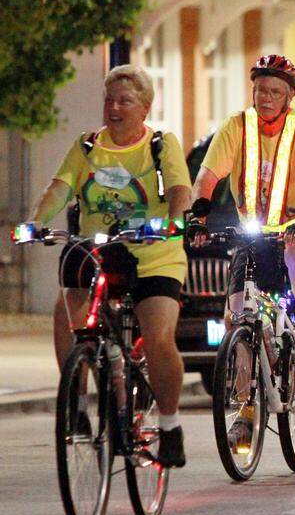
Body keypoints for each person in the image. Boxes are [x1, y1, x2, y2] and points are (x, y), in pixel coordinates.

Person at [23, 64, 192, 467]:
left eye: (125, 100)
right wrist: (35, 222)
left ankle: (169, 426)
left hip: (153, 254)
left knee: (157, 335)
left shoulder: (160, 145)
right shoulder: (86, 146)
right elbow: (59, 189)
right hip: (95, 249)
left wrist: (175, 221)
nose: (114, 107)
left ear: (145, 107)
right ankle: (76, 402)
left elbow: (181, 191)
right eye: (109, 99)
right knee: (67, 316)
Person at [190, 55, 295, 373]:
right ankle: (244, 412)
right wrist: (197, 219)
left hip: (292, 226)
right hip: (251, 230)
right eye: (260, 90)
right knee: (234, 318)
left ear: (289, 96)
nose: (265, 98)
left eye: (274, 92)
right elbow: (207, 178)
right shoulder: (237, 126)